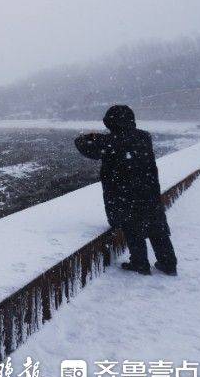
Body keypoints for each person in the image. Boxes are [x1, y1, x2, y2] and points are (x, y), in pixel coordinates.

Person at [74, 105, 177, 276]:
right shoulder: (144, 137)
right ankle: (168, 264)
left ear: (111, 122)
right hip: (149, 191)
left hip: (124, 194)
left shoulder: (109, 141)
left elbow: (83, 145)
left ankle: (140, 263)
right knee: (156, 228)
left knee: (133, 228)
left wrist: (92, 136)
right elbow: (125, 141)